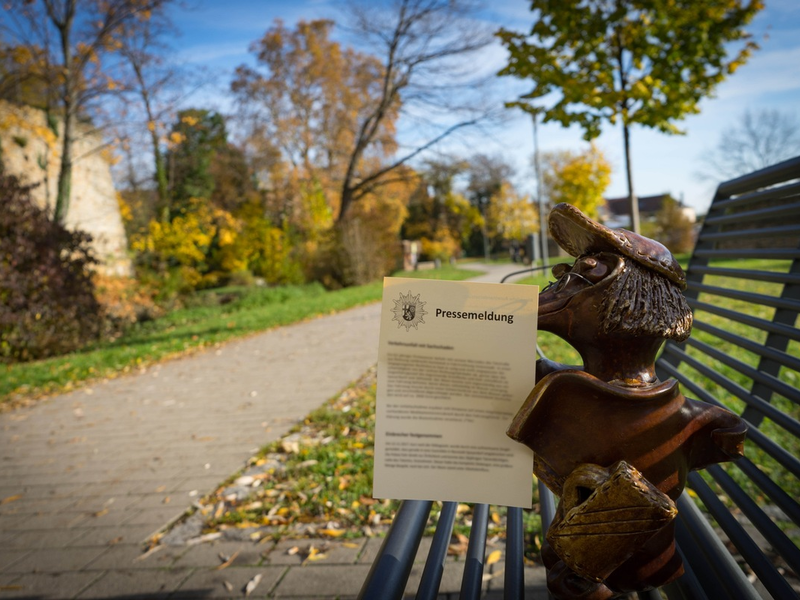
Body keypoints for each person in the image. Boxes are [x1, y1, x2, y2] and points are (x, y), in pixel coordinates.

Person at [508, 203, 747, 599]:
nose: (562, 281)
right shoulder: (568, 387)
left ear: (629, 296)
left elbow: (722, 433)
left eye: (589, 270)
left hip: (613, 566)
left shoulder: (661, 416)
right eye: (570, 271)